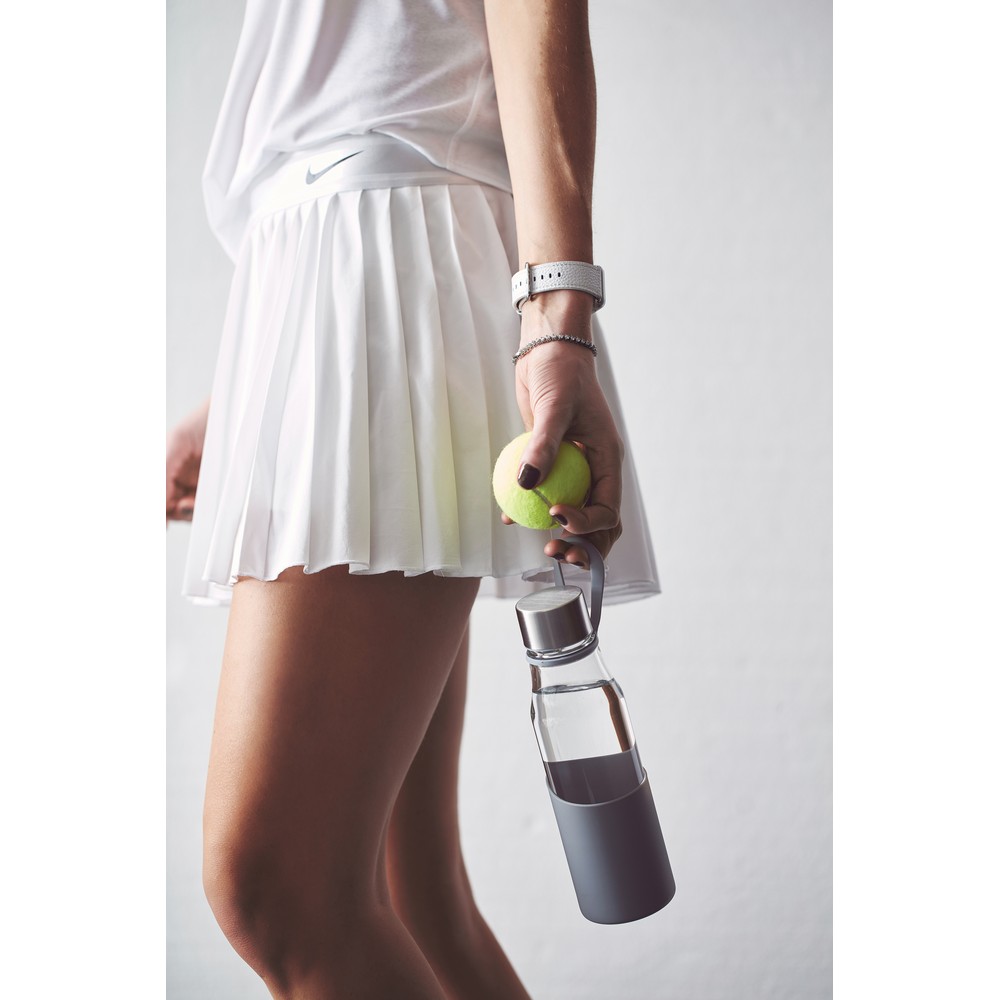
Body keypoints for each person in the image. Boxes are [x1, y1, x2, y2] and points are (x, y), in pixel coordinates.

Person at [166, 1, 659, 996]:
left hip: (388, 261)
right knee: (410, 891)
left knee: (280, 884)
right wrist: (252, 388)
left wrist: (559, 314)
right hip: (328, 277)